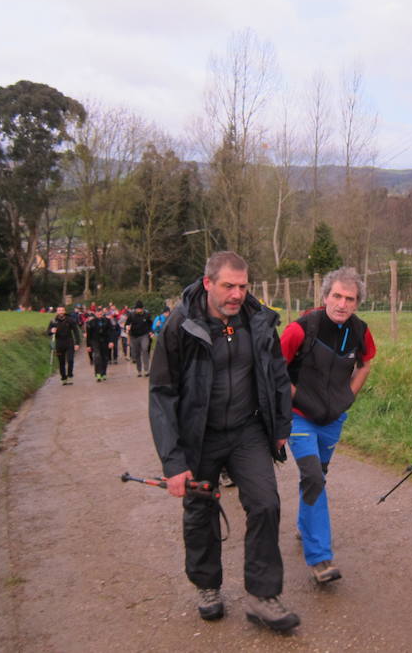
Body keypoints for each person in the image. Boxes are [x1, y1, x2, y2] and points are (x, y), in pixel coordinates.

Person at [149, 251, 299, 632]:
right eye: (228, 286)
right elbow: (162, 394)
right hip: (198, 434)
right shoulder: (179, 326)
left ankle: (263, 596)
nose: (236, 294)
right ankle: (207, 586)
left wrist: (280, 425)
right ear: (208, 284)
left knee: (266, 504)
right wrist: (173, 462)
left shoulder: (260, 321)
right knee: (200, 511)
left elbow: (278, 375)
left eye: (243, 286)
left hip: (247, 430)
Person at [280, 267, 375, 583]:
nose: (342, 304)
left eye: (349, 299)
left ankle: (305, 525)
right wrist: (297, 399)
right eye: (336, 296)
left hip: (333, 420)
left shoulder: (360, 331)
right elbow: (275, 369)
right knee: (313, 477)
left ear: (357, 303)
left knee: (317, 476)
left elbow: (366, 364)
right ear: (324, 297)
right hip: (299, 418)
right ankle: (320, 558)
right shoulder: (300, 329)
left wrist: (348, 397)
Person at [47, 305, 82, 385]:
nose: (61, 312)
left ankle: (70, 376)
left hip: (69, 342)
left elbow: (76, 331)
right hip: (59, 343)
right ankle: (63, 377)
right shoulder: (53, 321)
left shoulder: (70, 320)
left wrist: (77, 343)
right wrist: (52, 331)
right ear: (57, 312)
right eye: (59, 310)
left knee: (70, 360)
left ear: (64, 311)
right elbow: (48, 332)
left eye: (62, 310)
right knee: (61, 362)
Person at [85, 305, 114, 382]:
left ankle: (103, 373)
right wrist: (88, 345)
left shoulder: (107, 321)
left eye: (100, 314)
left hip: (105, 341)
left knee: (105, 357)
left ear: (102, 314)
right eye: (98, 314)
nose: (99, 316)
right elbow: (89, 335)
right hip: (95, 341)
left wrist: (111, 341)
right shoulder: (91, 322)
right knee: (97, 357)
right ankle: (98, 373)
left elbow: (111, 331)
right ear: (95, 314)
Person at [126, 300, 154, 377]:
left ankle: (146, 370)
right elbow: (127, 324)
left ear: (142, 308)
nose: (138, 310)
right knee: (137, 353)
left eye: (139, 309)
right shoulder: (131, 315)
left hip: (144, 335)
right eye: (136, 309)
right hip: (134, 336)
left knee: (145, 349)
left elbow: (150, 324)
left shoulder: (147, 314)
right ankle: (139, 370)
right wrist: (127, 327)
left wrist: (151, 331)